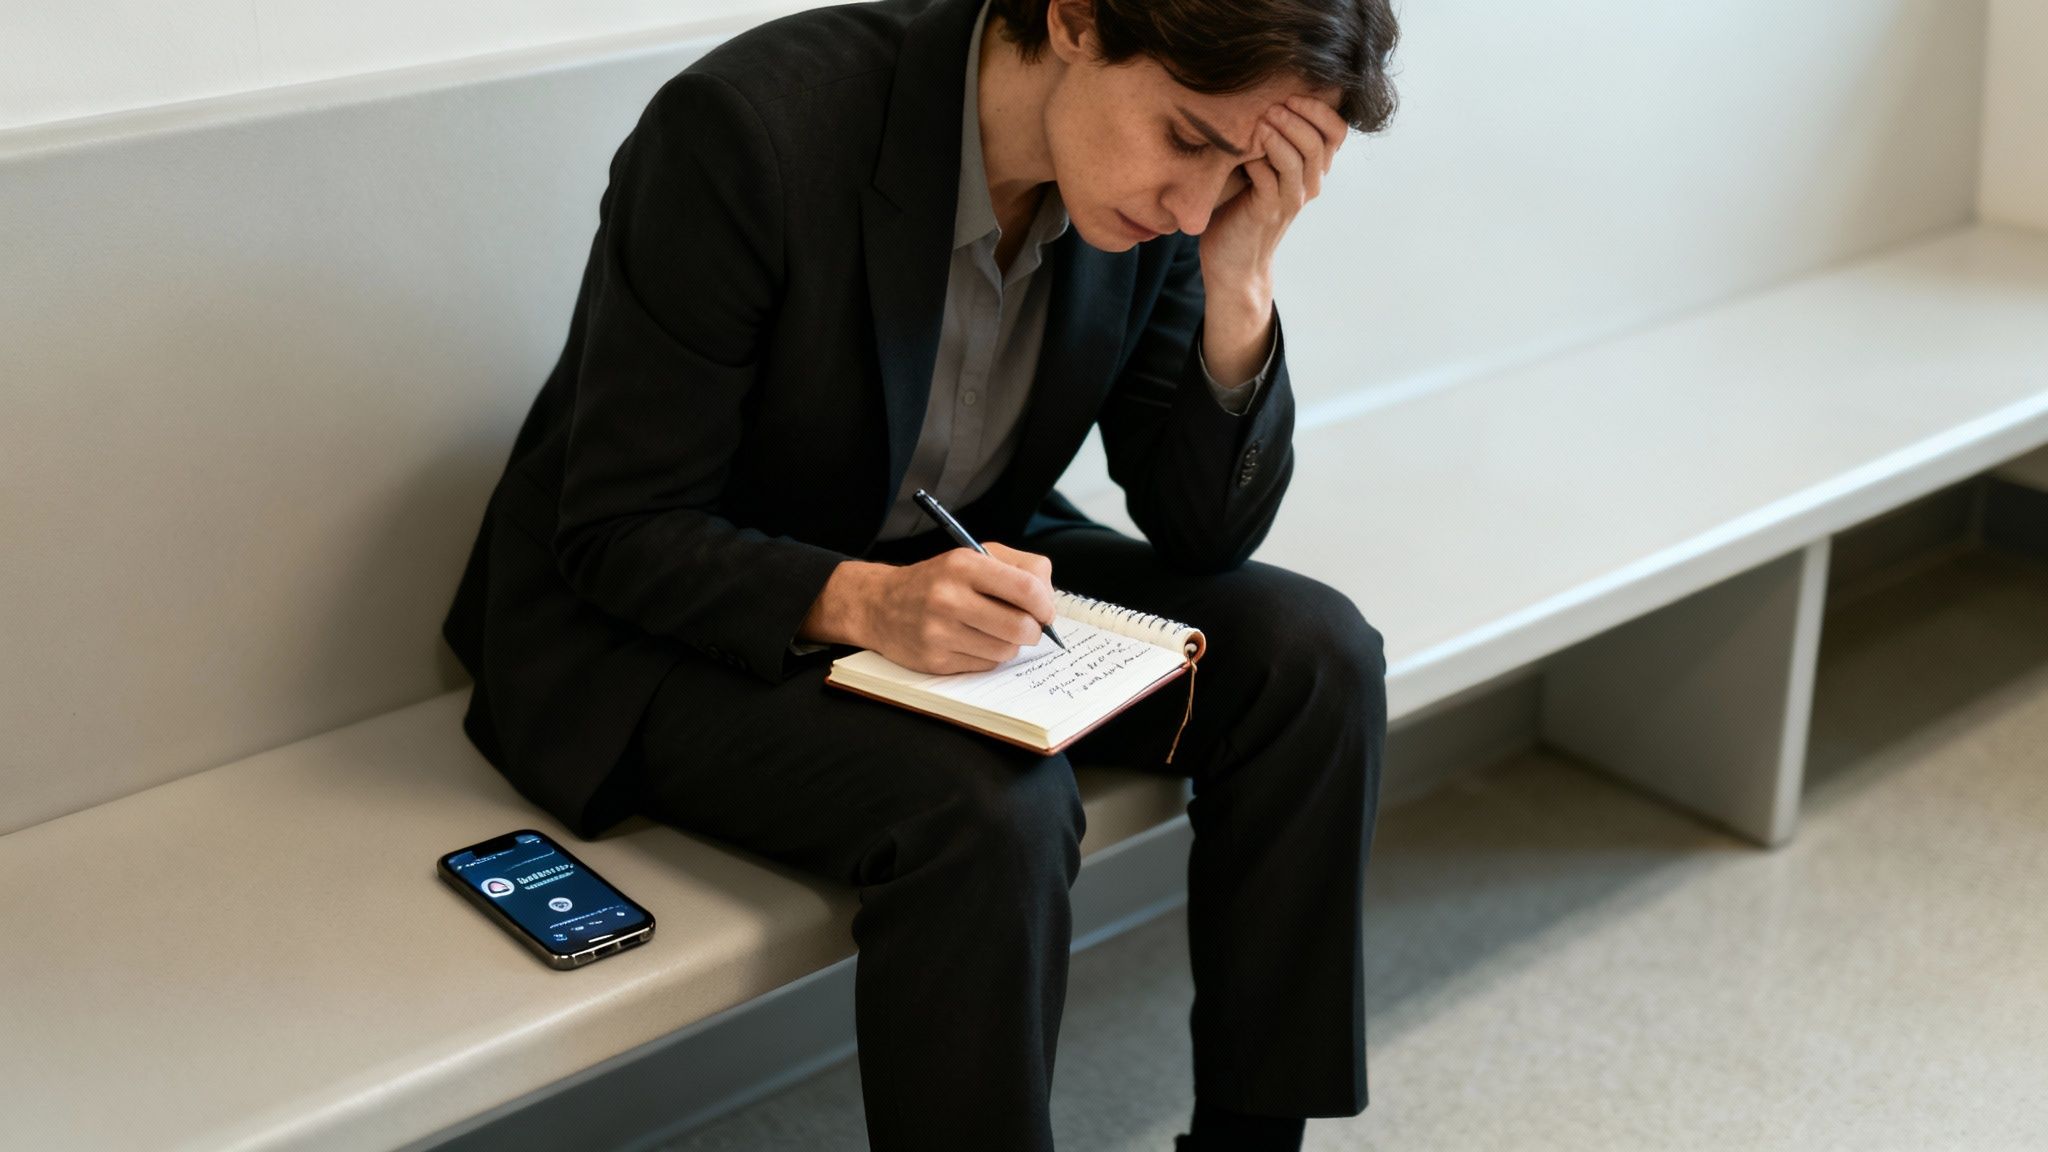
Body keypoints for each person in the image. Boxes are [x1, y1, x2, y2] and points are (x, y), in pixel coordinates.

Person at [440, 0, 1399, 1146]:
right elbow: (617, 529)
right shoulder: (749, 131)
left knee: (1313, 658)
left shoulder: (1169, 210)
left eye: (1241, 172)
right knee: (991, 806)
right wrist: (865, 601)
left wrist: (1238, 277)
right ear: (1076, 19)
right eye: (1189, 141)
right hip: (662, 620)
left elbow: (1202, 531)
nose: (1192, 204)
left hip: (943, 557)